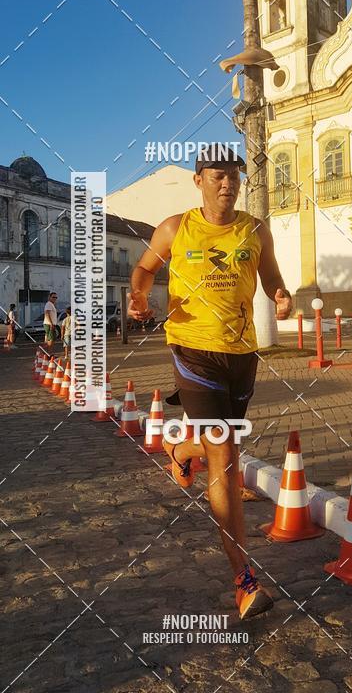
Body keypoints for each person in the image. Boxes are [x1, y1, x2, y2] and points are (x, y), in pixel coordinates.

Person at [128, 143, 292, 620]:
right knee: (222, 448)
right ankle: (244, 579)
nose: (228, 182)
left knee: (223, 445)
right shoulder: (175, 228)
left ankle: (181, 451)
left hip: (241, 353)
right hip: (191, 348)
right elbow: (143, 269)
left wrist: (282, 297)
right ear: (198, 179)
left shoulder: (256, 230)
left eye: (234, 175)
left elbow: (272, 278)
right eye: (217, 174)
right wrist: (139, 297)